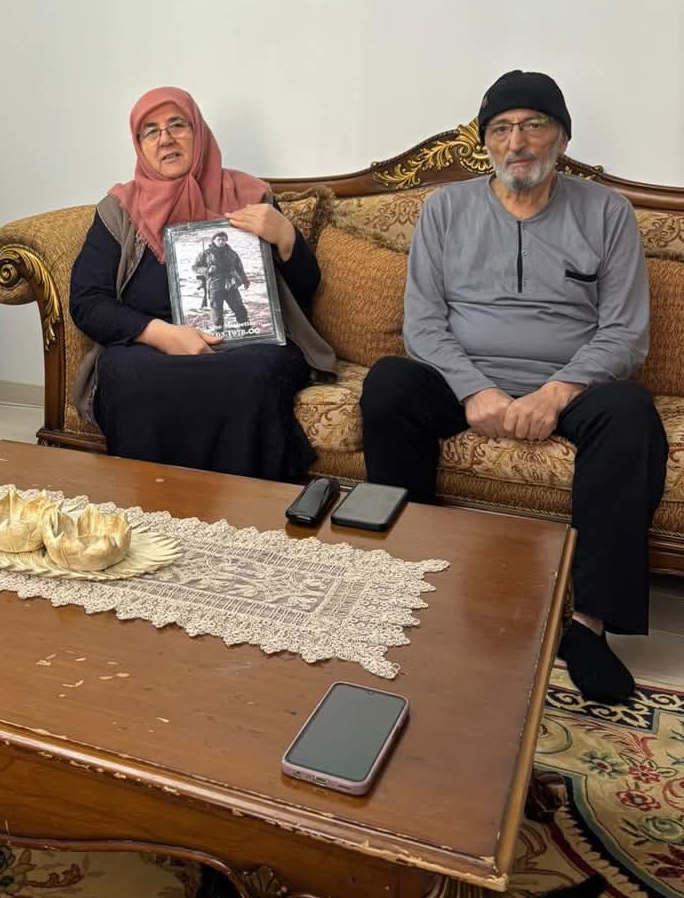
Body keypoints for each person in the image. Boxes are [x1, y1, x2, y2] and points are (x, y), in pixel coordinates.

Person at [359, 70, 667, 705]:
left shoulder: (607, 213)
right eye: (500, 129)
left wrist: (555, 393)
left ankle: (589, 625)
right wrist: (474, 391)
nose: (517, 142)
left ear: (561, 137)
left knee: (632, 414)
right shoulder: (445, 209)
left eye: (533, 125)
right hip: (466, 379)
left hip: (570, 383)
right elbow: (424, 324)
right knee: (389, 385)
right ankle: (407, 576)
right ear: (486, 143)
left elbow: (625, 332)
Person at [69, 86, 335, 481]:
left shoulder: (250, 195)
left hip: (244, 347)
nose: (166, 139)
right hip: (151, 347)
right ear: (139, 145)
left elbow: (306, 291)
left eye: (178, 125)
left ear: (199, 132)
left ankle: (247, 508)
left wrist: (286, 237)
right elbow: (87, 300)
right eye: (151, 131)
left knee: (255, 372)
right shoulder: (120, 209)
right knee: (127, 374)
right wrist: (160, 334)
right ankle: (151, 505)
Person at [194, 231, 250, 333]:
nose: (221, 241)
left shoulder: (232, 253)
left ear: (226, 240)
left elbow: (240, 268)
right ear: (213, 240)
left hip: (231, 285)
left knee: (240, 309)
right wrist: (207, 270)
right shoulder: (206, 253)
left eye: (223, 239)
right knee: (217, 312)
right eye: (218, 239)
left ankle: (247, 331)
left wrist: (245, 281)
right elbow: (195, 267)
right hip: (215, 286)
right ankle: (218, 333)